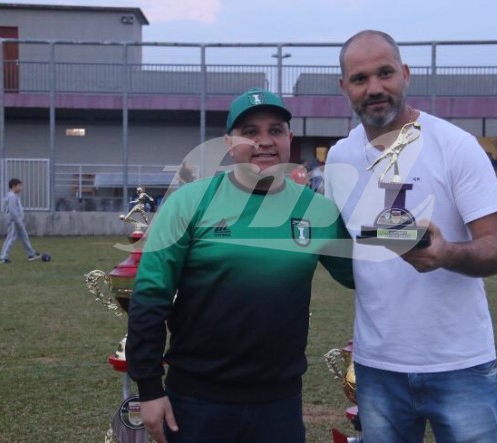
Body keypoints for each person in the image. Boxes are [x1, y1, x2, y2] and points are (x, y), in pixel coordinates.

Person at [126, 87, 354, 443]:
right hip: (196, 400)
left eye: (275, 130)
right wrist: (150, 389)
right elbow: (150, 296)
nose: (264, 141)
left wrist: (403, 237)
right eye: (250, 132)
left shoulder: (318, 210)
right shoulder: (188, 204)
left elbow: (361, 276)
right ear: (229, 143)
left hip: (279, 403)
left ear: (289, 139)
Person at [324, 30, 497, 443]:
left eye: (385, 73)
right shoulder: (340, 158)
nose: (375, 88)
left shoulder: (455, 146)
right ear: (344, 87)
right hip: (377, 367)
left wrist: (445, 253)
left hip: (459, 363)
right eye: (360, 79)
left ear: (405, 74)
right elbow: (349, 248)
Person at [0, 178, 41, 264]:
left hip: (18, 220)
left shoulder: (15, 196)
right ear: (14, 186)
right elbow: (12, 211)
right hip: (14, 221)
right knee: (11, 238)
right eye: (19, 185)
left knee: (24, 237)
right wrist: (18, 221)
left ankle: (31, 254)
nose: (21, 187)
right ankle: (2, 257)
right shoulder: (12, 196)